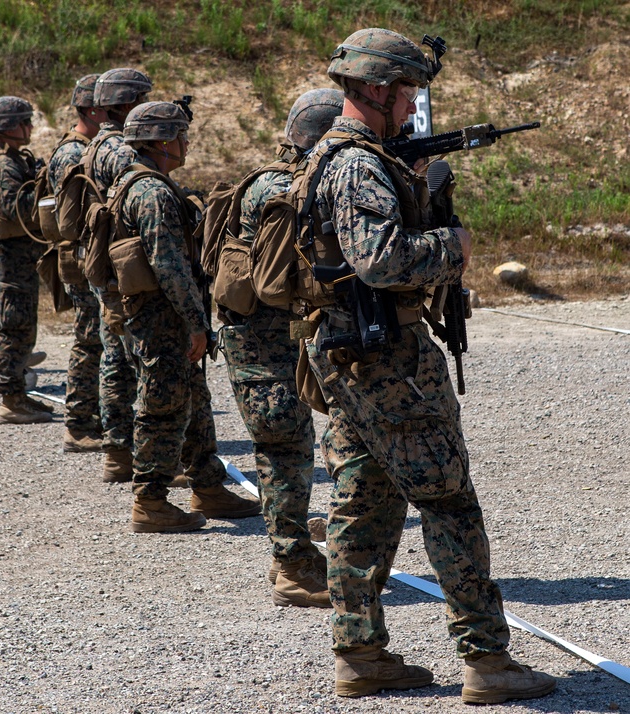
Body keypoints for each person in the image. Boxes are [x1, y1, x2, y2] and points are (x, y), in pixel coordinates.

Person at [303, 28, 555, 702]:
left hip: (356, 356)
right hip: (387, 359)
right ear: (378, 89)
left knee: (364, 502)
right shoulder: (356, 165)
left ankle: (361, 655)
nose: (414, 103)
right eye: (408, 89)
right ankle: (487, 660)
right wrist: (451, 243)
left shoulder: (343, 157)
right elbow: (381, 259)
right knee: (449, 502)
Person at [218, 88, 344, 608]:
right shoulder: (287, 189)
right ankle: (291, 564)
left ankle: (290, 555)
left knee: (285, 445)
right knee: (285, 447)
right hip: (263, 341)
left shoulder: (268, 178)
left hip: (258, 337)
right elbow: (283, 282)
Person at [113, 101, 262, 533]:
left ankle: (207, 484)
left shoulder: (136, 183)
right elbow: (169, 265)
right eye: (180, 134)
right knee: (163, 407)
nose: (186, 142)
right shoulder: (153, 192)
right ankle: (150, 501)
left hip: (160, 316)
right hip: (164, 319)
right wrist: (195, 323)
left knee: (194, 400)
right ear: (161, 140)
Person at [84, 67, 153, 481]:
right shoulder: (122, 150)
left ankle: (118, 452)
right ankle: (147, 457)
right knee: (143, 363)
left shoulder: (95, 145)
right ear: (126, 103)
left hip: (106, 265)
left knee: (116, 358)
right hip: (125, 269)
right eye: (142, 99)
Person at [0, 96, 54, 424]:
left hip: (18, 258)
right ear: (9, 128)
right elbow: (12, 209)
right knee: (13, 326)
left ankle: (18, 394)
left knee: (22, 325)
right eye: (25, 122)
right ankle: (10, 400)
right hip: (8, 259)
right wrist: (43, 193)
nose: (31, 127)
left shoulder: (15, 159)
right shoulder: (5, 164)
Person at [47, 74, 107, 452]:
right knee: (89, 340)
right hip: (83, 257)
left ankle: (94, 417)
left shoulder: (89, 146)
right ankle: (79, 424)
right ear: (90, 109)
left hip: (90, 256)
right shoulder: (74, 152)